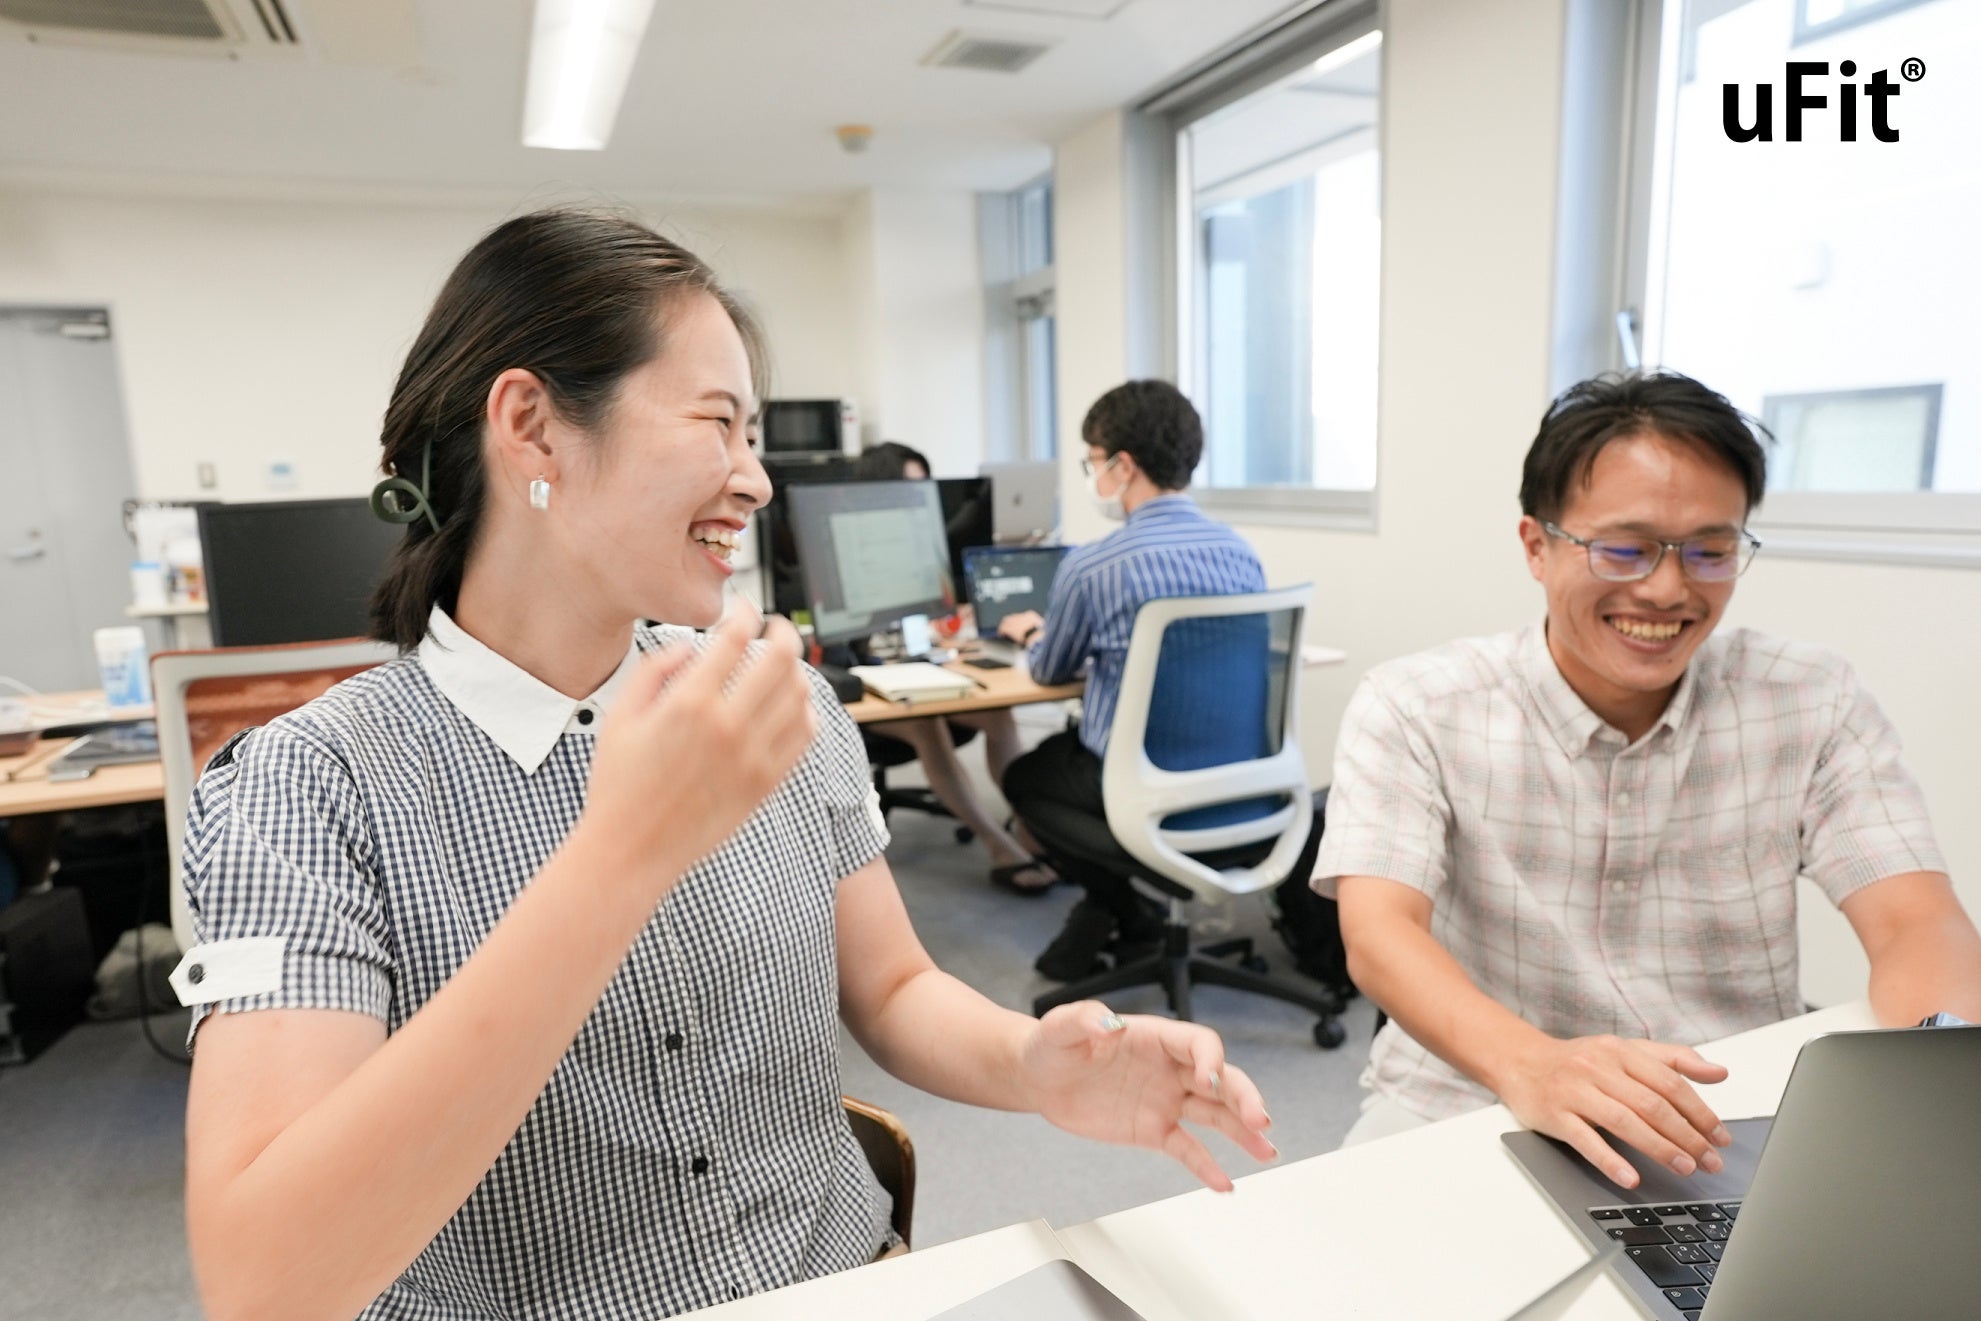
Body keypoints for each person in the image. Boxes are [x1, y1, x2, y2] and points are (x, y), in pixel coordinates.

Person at [172, 210, 1277, 1321]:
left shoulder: (772, 692)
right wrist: (619, 857)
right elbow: (264, 1286)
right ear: (532, 427)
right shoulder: (305, 786)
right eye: (718, 424)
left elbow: (892, 987)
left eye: (753, 436)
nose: (755, 480)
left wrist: (1030, 1060)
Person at [1315, 370, 1981, 1186]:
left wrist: (1937, 1088)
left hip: (1721, 1108)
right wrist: (1532, 1062)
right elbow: (1379, 934)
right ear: (1536, 545)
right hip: (1465, 1092)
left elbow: (1916, 920)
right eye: (1623, 548)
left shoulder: (1810, 697)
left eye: (1709, 550)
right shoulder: (1416, 704)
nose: (1667, 588)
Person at [998, 380, 1267, 980]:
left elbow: (1049, 669)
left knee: (1025, 779)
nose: (1093, 475)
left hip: (1141, 784)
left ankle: (1124, 907)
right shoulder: (1241, 554)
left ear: (1123, 466)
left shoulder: (1093, 566)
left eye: (1093, 461)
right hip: (1236, 781)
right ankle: (1122, 912)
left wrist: (1032, 633)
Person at [850, 442, 1056, 893]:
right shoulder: (851, 547)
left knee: (999, 715)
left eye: (925, 486)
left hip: (925, 665)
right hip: (872, 686)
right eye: (909, 487)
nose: (919, 499)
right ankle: (998, 845)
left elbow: (939, 616)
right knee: (927, 725)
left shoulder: (925, 545)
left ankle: (1030, 829)